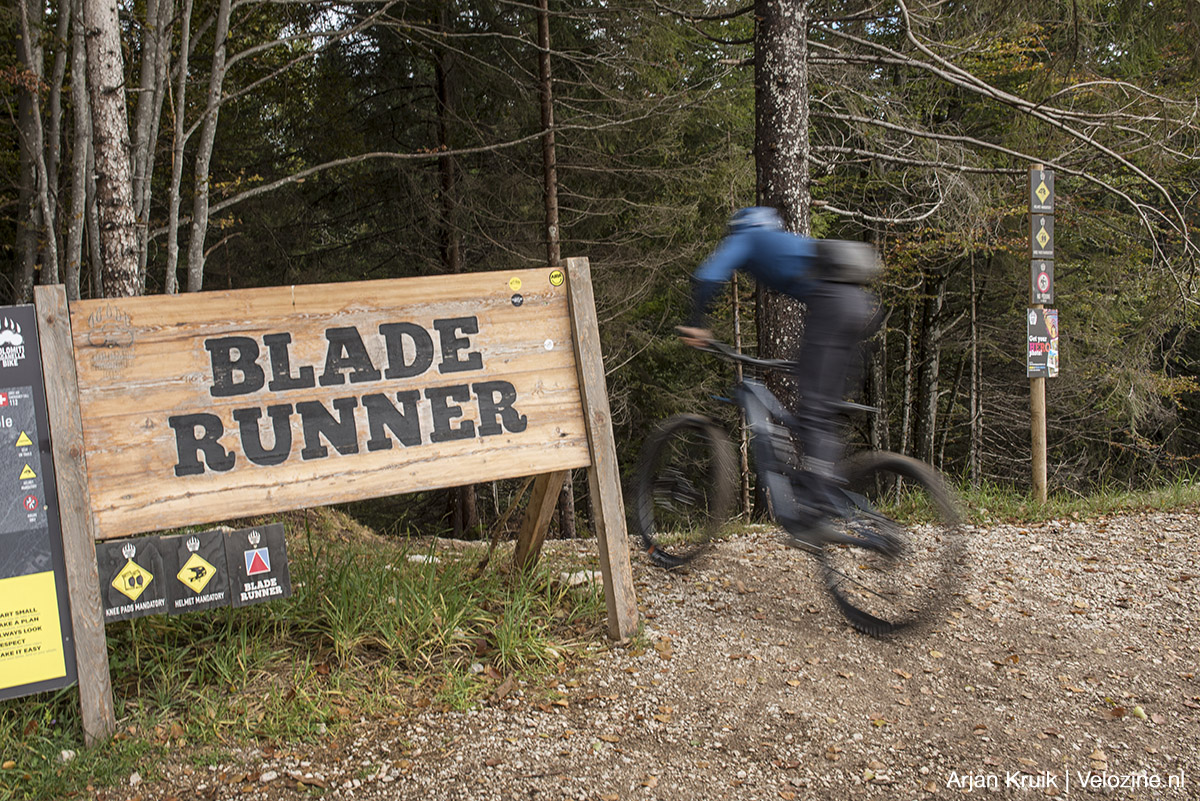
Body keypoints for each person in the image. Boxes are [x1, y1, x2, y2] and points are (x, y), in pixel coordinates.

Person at [677, 206, 876, 542]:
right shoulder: (785, 241)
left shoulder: (748, 237)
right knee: (820, 407)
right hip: (860, 305)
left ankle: (814, 511)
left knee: (812, 408)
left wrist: (696, 324)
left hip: (832, 304)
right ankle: (823, 494)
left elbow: (708, 276)